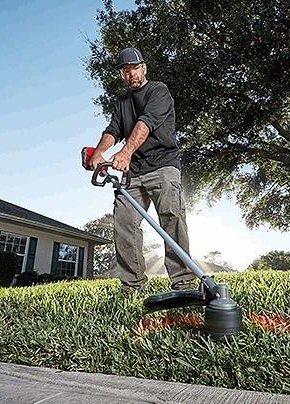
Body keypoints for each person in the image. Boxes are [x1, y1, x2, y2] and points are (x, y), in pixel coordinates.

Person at [89, 47, 195, 293]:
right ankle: (132, 286)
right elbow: (113, 129)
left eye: (135, 68)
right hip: (132, 173)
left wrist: (125, 152)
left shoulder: (158, 90)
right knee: (124, 223)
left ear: (144, 68)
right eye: (126, 70)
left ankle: (183, 283)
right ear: (121, 74)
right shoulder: (122, 100)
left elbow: (145, 122)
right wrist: (98, 152)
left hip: (162, 166)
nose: (131, 74)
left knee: (172, 219)